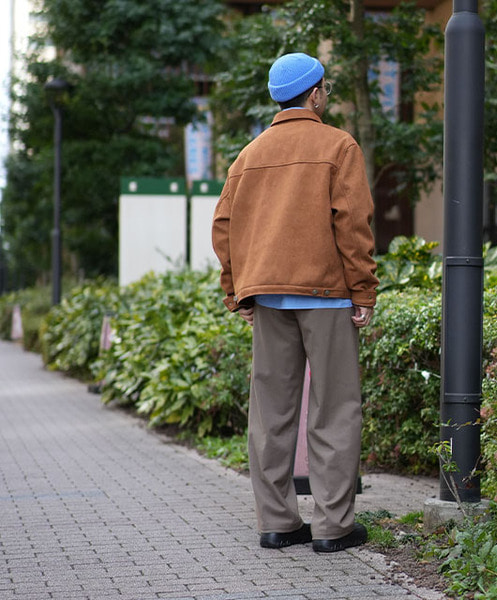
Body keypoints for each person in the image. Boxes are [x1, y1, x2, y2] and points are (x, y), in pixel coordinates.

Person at [212, 52, 378, 553]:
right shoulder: (338, 146)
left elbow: (224, 226)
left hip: (266, 297)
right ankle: (332, 527)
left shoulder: (249, 155)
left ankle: (277, 523)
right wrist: (363, 289)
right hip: (327, 295)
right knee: (335, 409)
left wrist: (236, 289)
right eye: (325, 89)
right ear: (315, 93)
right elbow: (352, 225)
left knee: (271, 413)